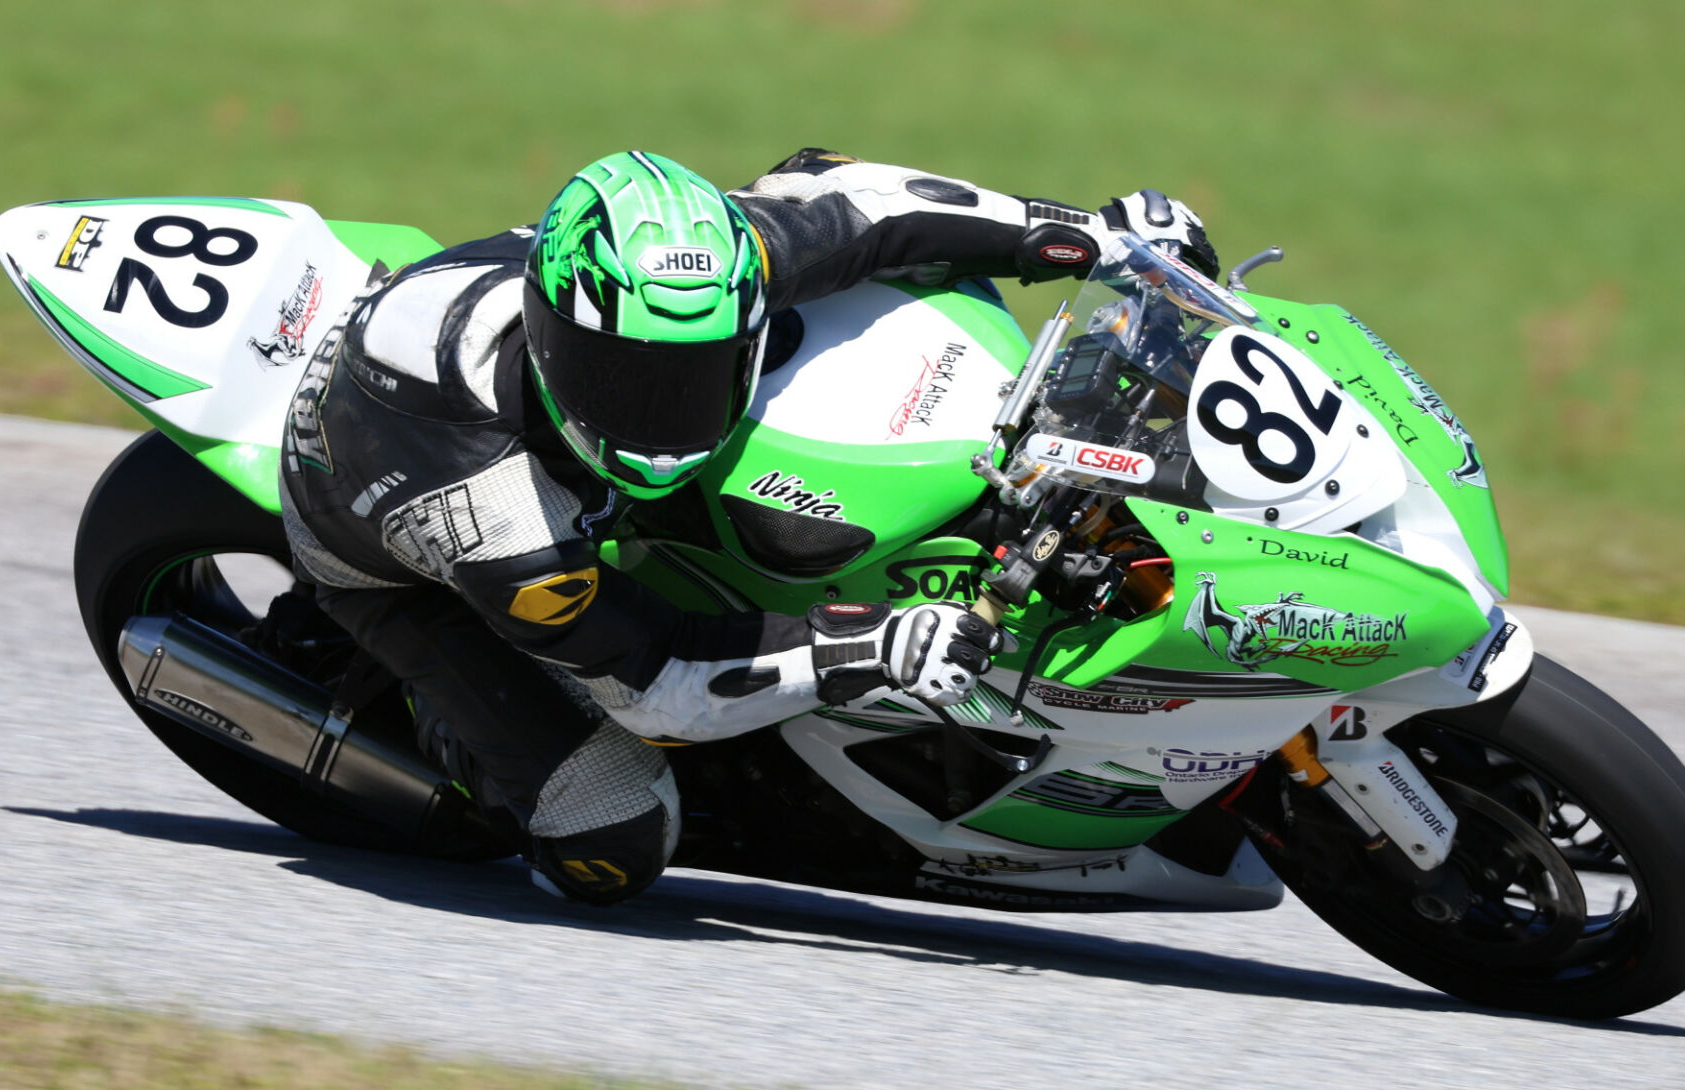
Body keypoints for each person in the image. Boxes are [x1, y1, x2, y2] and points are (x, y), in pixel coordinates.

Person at [278, 148, 1217, 905]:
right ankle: (447, 730)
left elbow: (874, 207)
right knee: (614, 836)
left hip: (491, 394)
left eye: (696, 372)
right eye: (628, 383)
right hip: (379, 535)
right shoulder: (497, 515)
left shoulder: (714, 268)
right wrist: (874, 649)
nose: (662, 416)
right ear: (558, 342)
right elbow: (660, 680)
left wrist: (1094, 239)